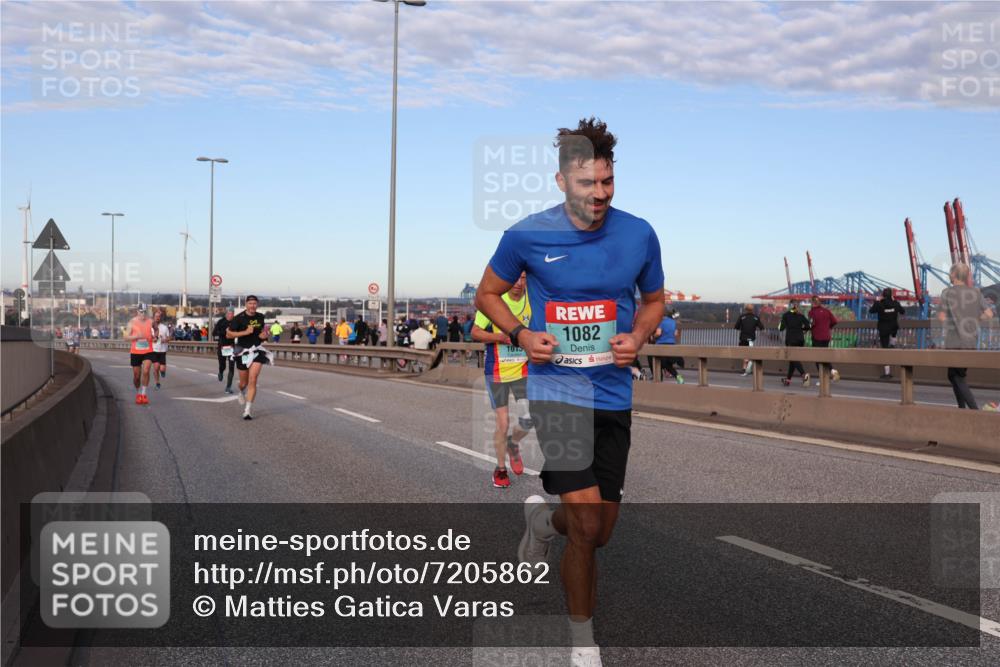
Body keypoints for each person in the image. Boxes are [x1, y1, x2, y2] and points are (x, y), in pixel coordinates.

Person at [475, 118, 664, 667]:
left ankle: (540, 522)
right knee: (584, 525)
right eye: (587, 184)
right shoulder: (526, 235)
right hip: (556, 392)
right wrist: (520, 334)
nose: (600, 194)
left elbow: (654, 300)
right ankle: (584, 643)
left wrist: (638, 337)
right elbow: (487, 294)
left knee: (600, 531)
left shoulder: (639, 234)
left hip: (613, 395)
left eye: (608, 182)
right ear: (561, 181)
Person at [472, 271, 533, 489]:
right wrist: (500, 337)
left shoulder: (531, 300)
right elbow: (475, 332)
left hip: (523, 370)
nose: (518, 283)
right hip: (497, 371)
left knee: (530, 418)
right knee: (503, 422)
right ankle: (500, 469)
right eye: (515, 277)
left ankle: (513, 444)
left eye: (523, 278)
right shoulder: (494, 301)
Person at [938, 263, 994, 409]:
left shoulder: (947, 292)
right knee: (954, 375)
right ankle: (962, 409)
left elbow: (942, 317)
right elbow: (989, 314)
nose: (949, 275)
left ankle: (974, 411)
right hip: (971, 342)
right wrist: (977, 319)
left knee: (957, 377)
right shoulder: (976, 292)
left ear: (954, 275)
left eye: (950, 273)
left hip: (954, 342)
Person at [227, 295, 272, 420]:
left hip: (256, 350)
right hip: (242, 351)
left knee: (253, 379)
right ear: (246, 304)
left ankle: (247, 410)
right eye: (250, 303)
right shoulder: (238, 318)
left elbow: (261, 333)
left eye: (255, 303)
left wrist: (264, 335)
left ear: (257, 305)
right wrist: (245, 332)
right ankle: (241, 390)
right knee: (243, 383)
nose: (253, 306)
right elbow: (229, 334)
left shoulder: (260, 317)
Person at [869, 287, 905, 378]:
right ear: (891, 295)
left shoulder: (879, 304)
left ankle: (887, 373)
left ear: (883, 295)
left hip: (883, 329)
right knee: (894, 331)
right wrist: (895, 302)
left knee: (885, 350)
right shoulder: (895, 303)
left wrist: (877, 301)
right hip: (893, 328)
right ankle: (893, 343)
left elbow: (871, 311)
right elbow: (902, 312)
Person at [807, 296, 840, 385]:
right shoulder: (826, 311)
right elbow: (834, 321)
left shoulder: (812, 312)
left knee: (818, 358)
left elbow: (811, 324)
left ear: (812, 303)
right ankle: (829, 375)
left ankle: (828, 374)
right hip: (826, 337)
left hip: (817, 337)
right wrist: (827, 328)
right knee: (824, 356)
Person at [126, 305, 155, 405]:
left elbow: (156, 329)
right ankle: (138, 393)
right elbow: (126, 337)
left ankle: (144, 394)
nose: (143, 314)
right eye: (141, 312)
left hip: (148, 350)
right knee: (136, 376)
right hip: (136, 351)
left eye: (145, 312)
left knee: (146, 371)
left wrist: (155, 336)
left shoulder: (151, 321)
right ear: (137, 312)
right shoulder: (132, 322)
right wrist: (135, 336)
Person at [779, 300, 811, 387]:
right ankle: (788, 380)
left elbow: (780, 328)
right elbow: (809, 326)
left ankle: (804, 375)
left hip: (791, 339)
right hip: (800, 339)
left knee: (793, 358)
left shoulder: (786, 315)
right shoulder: (801, 315)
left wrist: (782, 323)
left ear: (790, 306)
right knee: (793, 360)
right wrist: (802, 330)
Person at [651, 308, 684, 383]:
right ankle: (678, 377)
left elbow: (658, 333)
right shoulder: (673, 322)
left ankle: (658, 379)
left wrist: (653, 337)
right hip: (671, 344)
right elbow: (675, 334)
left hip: (661, 345)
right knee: (667, 364)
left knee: (660, 362)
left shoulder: (661, 322)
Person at [734, 303, 763, 376]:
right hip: (751, 339)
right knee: (749, 352)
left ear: (745, 309)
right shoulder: (756, 317)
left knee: (742, 353)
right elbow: (762, 327)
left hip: (743, 338)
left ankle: (744, 368)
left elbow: (736, 327)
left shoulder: (742, 317)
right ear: (752, 309)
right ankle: (746, 367)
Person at [213, 308, 237, 393]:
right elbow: (214, 333)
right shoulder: (221, 322)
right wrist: (225, 333)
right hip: (222, 347)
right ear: (226, 314)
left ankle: (228, 387)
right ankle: (220, 372)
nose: (231, 315)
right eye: (229, 313)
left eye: (232, 313)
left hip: (232, 347)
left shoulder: (236, 322)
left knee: (231, 367)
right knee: (222, 365)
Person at [151, 309, 171, 389]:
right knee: (156, 368)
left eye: (159, 317)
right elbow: (148, 337)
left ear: (160, 318)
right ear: (154, 317)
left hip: (162, 351)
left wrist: (165, 340)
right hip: (154, 350)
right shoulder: (151, 327)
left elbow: (169, 338)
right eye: (156, 316)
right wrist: (152, 339)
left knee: (162, 369)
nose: (157, 318)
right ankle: (157, 383)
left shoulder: (164, 327)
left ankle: (162, 371)